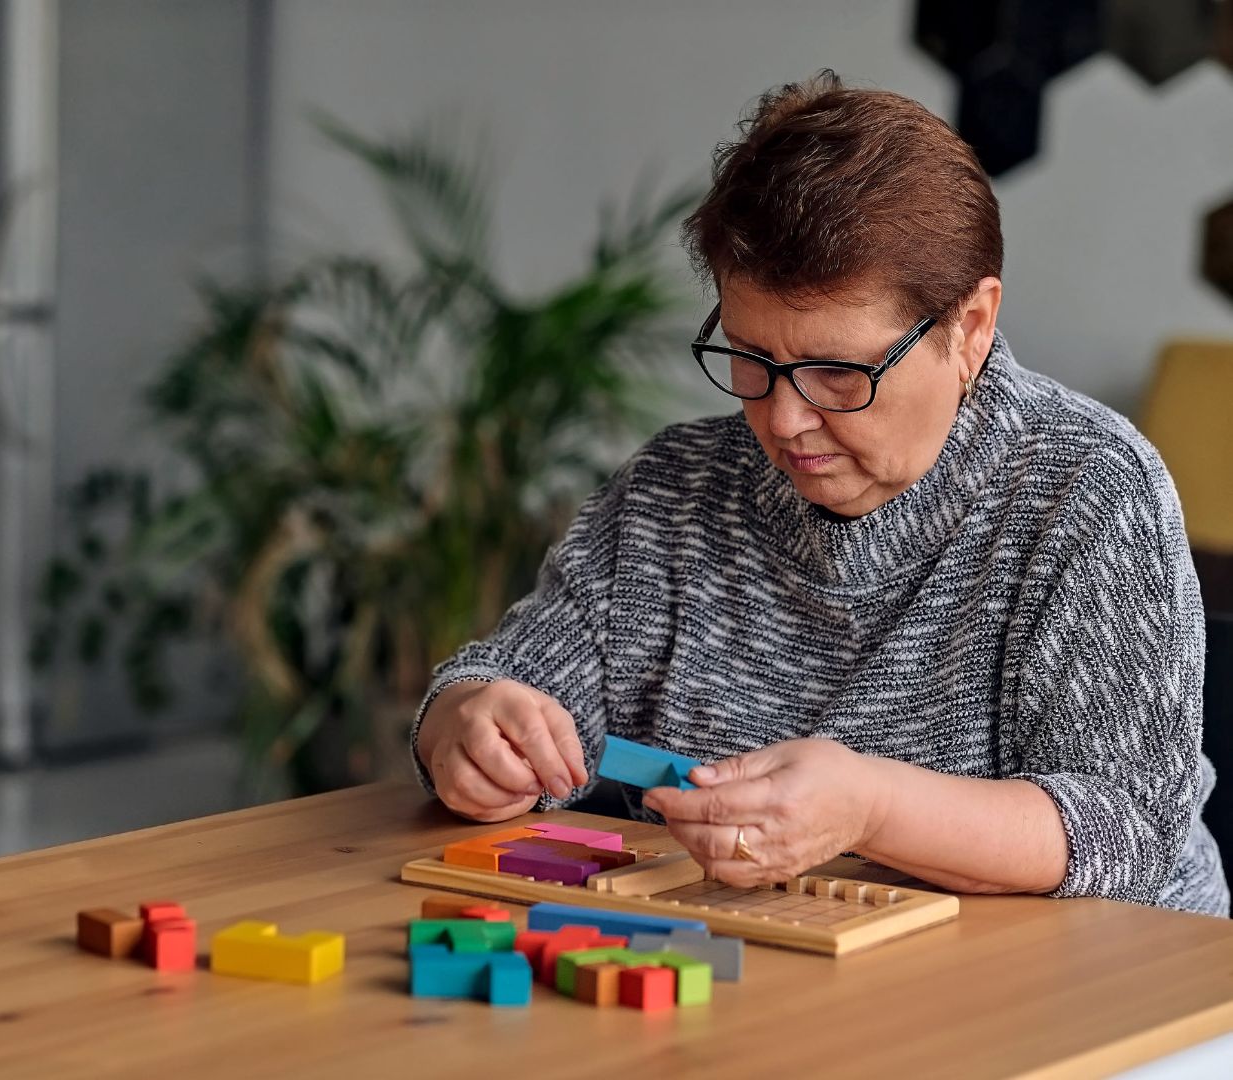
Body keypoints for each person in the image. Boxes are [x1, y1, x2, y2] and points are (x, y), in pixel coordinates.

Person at [410, 71, 1228, 916]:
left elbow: (1124, 830)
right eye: (752, 359)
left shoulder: (1090, 490)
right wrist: (467, 725)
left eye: (839, 373)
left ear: (971, 327)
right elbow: (507, 685)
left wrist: (870, 808)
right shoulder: (675, 491)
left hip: (1102, 994)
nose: (786, 419)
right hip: (781, 970)